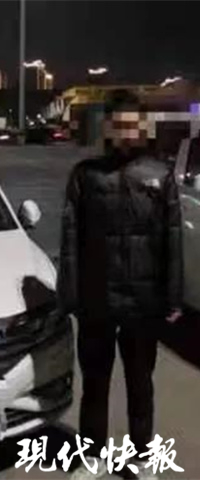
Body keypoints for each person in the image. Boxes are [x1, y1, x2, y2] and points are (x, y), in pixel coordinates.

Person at [57, 89, 183, 480]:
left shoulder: (160, 176)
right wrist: (69, 295)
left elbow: (172, 241)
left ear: (143, 129)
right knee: (95, 383)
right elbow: (70, 240)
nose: (127, 132)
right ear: (108, 128)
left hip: (143, 302)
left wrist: (173, 297)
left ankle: (142, 458)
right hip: (96, 299)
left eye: (134, 125)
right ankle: (92, 456)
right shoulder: (86, 175)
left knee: (140, 384)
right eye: (120, 125)